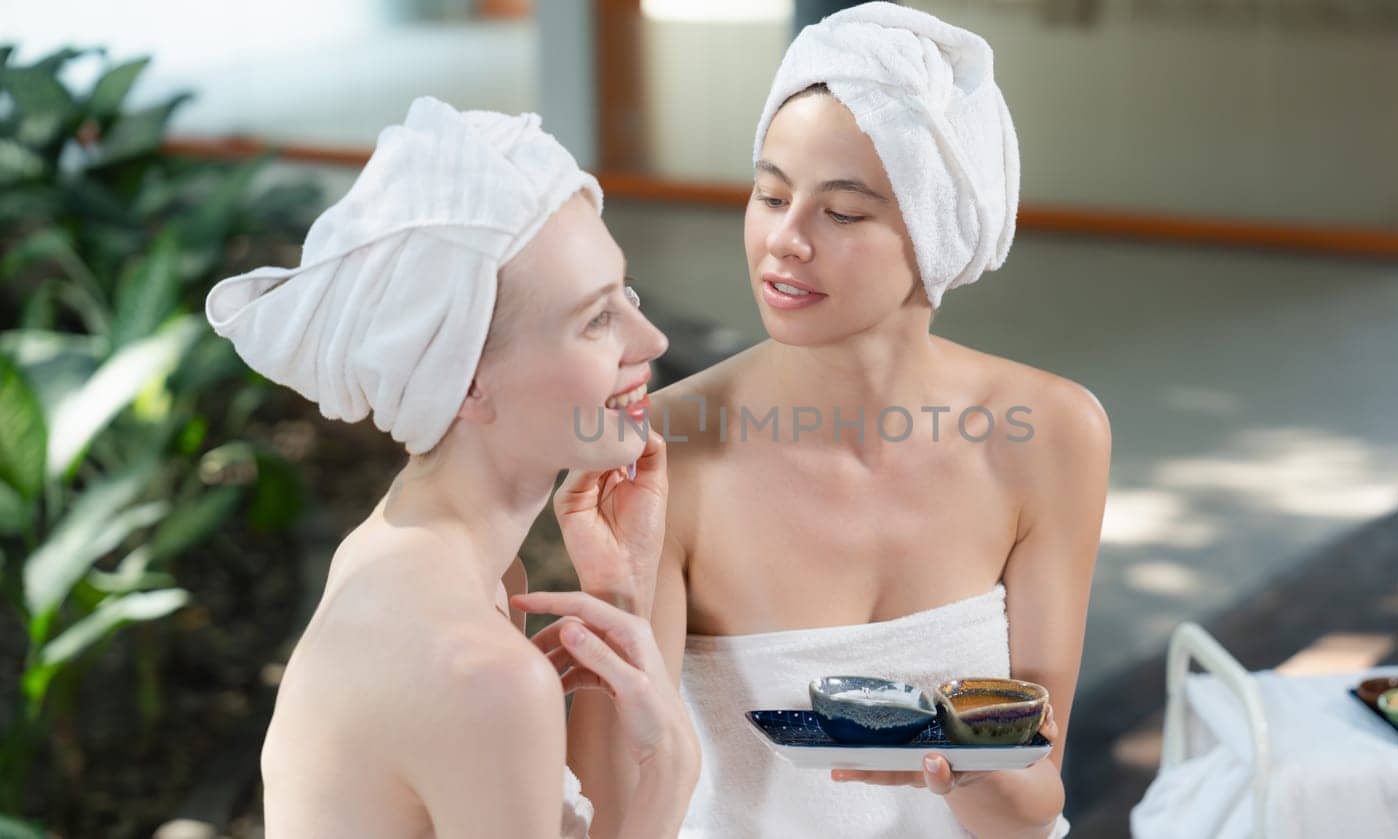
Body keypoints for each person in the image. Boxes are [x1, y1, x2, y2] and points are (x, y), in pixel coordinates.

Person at [568, 5, 1109, 837]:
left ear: (936, 234)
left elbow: (1034, 800)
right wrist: (611, 595)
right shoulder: (666, 447)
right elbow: (621, 812)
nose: (785, 239)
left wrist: (957, 771)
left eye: (843, 212)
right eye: (770, 193)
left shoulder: (1050, 433)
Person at [205, 97, 697, 838]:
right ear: (464, 379)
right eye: (596, 318)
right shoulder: (480, 669)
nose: (651, 338)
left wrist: (618, 595)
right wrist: (672, 782)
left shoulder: (415, 555)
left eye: (624, 294)